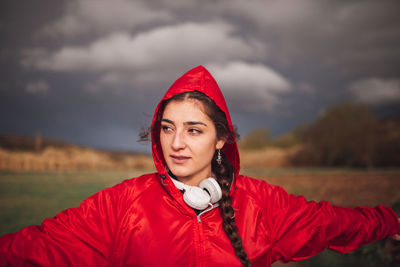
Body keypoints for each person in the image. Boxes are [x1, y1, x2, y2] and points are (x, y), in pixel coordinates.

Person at [0, 65, 399, 267]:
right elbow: (38, 246)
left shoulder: (262, 203)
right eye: (167, 128)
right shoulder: (123, 203)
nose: (176, 143)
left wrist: (391, 221)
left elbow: (331, 222)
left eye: (193, 130)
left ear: (221, 138)